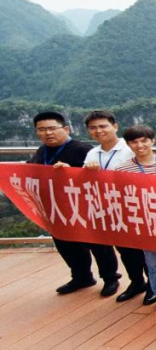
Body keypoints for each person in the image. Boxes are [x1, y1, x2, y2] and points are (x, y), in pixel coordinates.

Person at [28, 111, 122, 297]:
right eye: (42, 130)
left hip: (86, 207)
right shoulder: (41, 151)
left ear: (65, 129)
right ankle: (81, 277)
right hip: (58, 208)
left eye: (52, 128)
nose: (48, 133)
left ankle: (110, 278)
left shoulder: (82, 149)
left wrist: (71, 171)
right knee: (66, 244)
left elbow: (95, 175)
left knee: (98, 244)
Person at [82, 110, 152, 303]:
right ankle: (137, 282)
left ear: (115, 126)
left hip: (135, 207)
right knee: (125, 251)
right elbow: (84, 181)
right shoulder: (92, 153)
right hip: (109, 210)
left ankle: (154, 285)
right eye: (93, 128)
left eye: (103, 126)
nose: (99, 131)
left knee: (145, 249)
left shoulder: (130, 148)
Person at [114, 125, 156, 312]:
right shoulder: (122, 169)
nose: (140, 145)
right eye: (134, 142)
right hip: (146, 223)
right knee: (153, 263)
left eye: (144, 141)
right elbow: (121, 196)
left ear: (152, 141)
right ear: (128, 144)